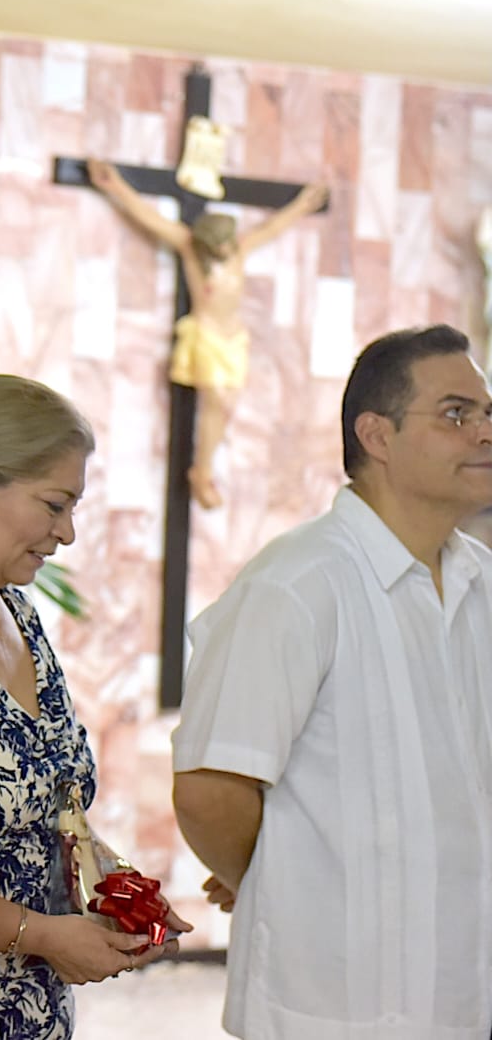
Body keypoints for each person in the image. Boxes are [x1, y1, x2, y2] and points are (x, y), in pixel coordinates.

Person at [172, 324, 492, 1039]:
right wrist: (284, 872)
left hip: (466, 1000)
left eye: (487, 413)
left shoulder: (483, 584)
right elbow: (209, 791)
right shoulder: (297, 583)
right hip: (333, 1006)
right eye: (456, 414)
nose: (484, 433)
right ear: (376, 435)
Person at [0, 375, 188, 1039]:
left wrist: (118, 892)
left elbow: (49, 807)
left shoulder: (16, 612)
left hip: (33, 1003)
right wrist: (46, 935)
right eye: (55, 504)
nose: (69, 533)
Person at [88, 160, 326, 510]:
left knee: (227, 407)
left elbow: (274, 226)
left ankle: (205, 469)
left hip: (233, 339)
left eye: (228, 246)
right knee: (218, 401)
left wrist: (303, 204)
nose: (226, 251)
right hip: (207, 335)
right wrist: (115, 187)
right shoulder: (190, 248)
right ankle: (201, 472)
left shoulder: (240, 249)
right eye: (219, 248)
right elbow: (148, 217)